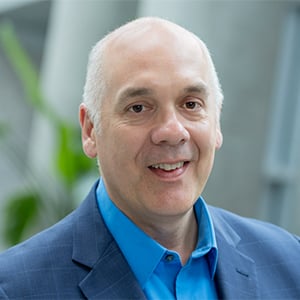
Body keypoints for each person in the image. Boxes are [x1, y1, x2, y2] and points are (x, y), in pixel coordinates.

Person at [0, 17, 300, 300]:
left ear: (216, 122)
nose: (172, 131)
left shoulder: (289, 261)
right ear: (91, 130)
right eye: (139, 108)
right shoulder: (15, 289)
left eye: (191, 104)